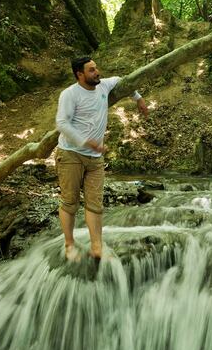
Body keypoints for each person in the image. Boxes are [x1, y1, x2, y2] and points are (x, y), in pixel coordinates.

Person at [55, 56, 148, 261]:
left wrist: (139, 99)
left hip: (95, 158)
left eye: (96, 68)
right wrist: (86, 142)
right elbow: (62, 123)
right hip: (70, 154)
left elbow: (125, 82)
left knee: (95, 204)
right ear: (80, 74)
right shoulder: (70, 95)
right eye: (91, 70)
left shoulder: (104, 86)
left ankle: (96, 246)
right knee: (70, 202)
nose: (97, 72)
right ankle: (69, 244)